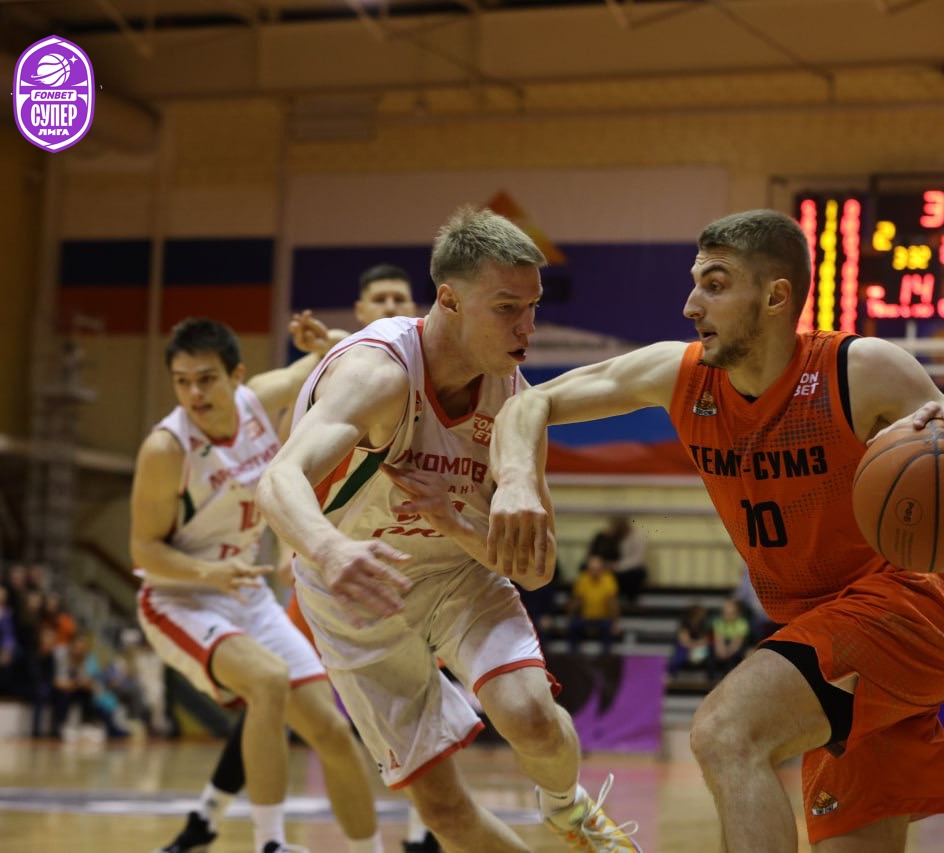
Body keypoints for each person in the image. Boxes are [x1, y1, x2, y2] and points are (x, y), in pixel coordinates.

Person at [487, 209, 944, 852]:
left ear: (775, 297)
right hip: (820, 631)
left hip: (899, 613)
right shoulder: (679, 375)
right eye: (694, 283)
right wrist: (516, 481)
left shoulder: (862, 368)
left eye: (715, 285)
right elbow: (530, 402)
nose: (691, 305)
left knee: (725, 732)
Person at [256, 206, 640, 852]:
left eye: (533, 308)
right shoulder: (380, 375)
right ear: (450, 301)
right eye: (507, 308)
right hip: (356, 590)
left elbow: (538, 569)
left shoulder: (515, 400)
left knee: (532, 717)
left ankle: (568, 809)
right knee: (442, 808)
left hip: (458, 574)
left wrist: (456, 520)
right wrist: (330, 548)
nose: (527, 328)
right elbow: (278, 478)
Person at [159, 268, 439, 853]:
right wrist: (294, 547)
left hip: (398, 563)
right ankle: (214, 817)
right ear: (360, 311)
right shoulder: (326, 383)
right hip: (325, 563)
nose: (390, 305)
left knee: (415, 694)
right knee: (273, 694)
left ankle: (422, 830)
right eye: (379, 299)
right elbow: (292, 473)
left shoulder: (429, 383)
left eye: (399, 298)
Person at [131, 317, 383, 853]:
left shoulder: (261, 401)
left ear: (236, 376)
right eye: (182, 382)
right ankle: (270, 844)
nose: (194, 394)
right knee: (267, 682)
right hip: (179, 598)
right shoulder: (165, 449)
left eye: (206, 379)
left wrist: (324, 342)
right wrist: (209, 574)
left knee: (334, 732)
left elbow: (338, 360)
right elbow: (143, 550)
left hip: (244, 593)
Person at [567, 554, 621, 655]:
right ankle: (573, 657)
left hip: (603, 618)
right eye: (592, 569)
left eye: (597, 569)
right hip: (585, 618)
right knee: (572, 626)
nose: (595, 572)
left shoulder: (608, 579)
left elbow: (613, 603)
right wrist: (571, 614)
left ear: (602, 569)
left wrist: (615, 622)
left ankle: (606, 659)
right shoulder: (583, 579)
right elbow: (575, 602)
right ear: (588, 569)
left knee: (608, 629)